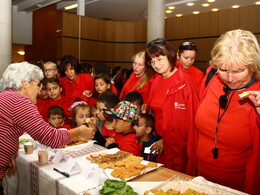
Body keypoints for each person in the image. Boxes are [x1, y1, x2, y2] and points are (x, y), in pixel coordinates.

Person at [0, 62, 95, 194]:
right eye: (38, 84)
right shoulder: (20, 102)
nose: (40, 89)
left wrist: (7, 155)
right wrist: (79, 131)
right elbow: (52, 139)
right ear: (25, 83)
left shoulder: (6, 96)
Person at [193, 29, 260, 195]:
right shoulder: (210, 78)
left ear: (253, 66)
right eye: (223, 69)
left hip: (239, 188)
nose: (229, 78)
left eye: (238, 71)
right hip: (202, 181)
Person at [145, 38, 199, 173]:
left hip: (178, 146)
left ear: (170, 56)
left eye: (160, 59)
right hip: (159, 141)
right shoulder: (156, 80)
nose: (156, 65)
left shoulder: (184, 83)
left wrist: (166, 141)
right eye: (152, 61)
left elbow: (191, 122)